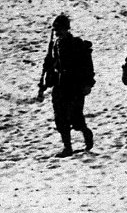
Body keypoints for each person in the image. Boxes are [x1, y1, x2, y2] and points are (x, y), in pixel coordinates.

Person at [39, 14, 95, 158]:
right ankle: (67, 148)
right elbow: (50, 65)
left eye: (60, 29)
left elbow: (87, 65)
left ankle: (85, 132)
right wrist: (46, 80)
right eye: (56, 30)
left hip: (74, 86)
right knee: (60, 117)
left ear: (67, 29)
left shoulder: (76, 44)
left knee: (75, 118)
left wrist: (88, 83)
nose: (58, 33)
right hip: (60, 86)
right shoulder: (54, 46)